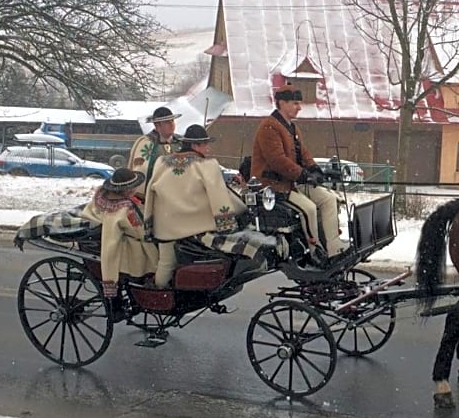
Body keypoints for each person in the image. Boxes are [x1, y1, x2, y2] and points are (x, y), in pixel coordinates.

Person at [144, 124, 279, 287]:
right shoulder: (206, 165)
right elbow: (219, 198)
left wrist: (149, 220)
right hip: (194, 227)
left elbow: (151, 189)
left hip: (165, 225)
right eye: (204, 144)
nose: (208, 149)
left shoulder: (162, 162)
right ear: (195, 145)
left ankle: (159, 296)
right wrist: (237, 213)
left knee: (166, 263)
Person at [250, 86, 349, 264]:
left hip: (291, 183)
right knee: (308, 208)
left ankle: (334, 246)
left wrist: (316, 170)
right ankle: (315, 251)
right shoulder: (269, 127)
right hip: (273, 187)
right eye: (295, 103)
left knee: (329, 199)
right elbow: (277, 161)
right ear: (282, 103)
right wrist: (303, 175)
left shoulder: (291, 128)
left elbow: (303, 154)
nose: (299, 107)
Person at [80, 168, 158, 299]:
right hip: (125, 247)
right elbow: (140, 232)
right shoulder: (125, 210)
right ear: (128, 190)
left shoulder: (101, 195)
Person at [128, 106, 181, 196]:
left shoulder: (180, 142)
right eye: (167, 122)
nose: (172, 124)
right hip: (154, 194)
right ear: (157, 125)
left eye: (172, 121)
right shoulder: (146, 143)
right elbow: (141, 168)